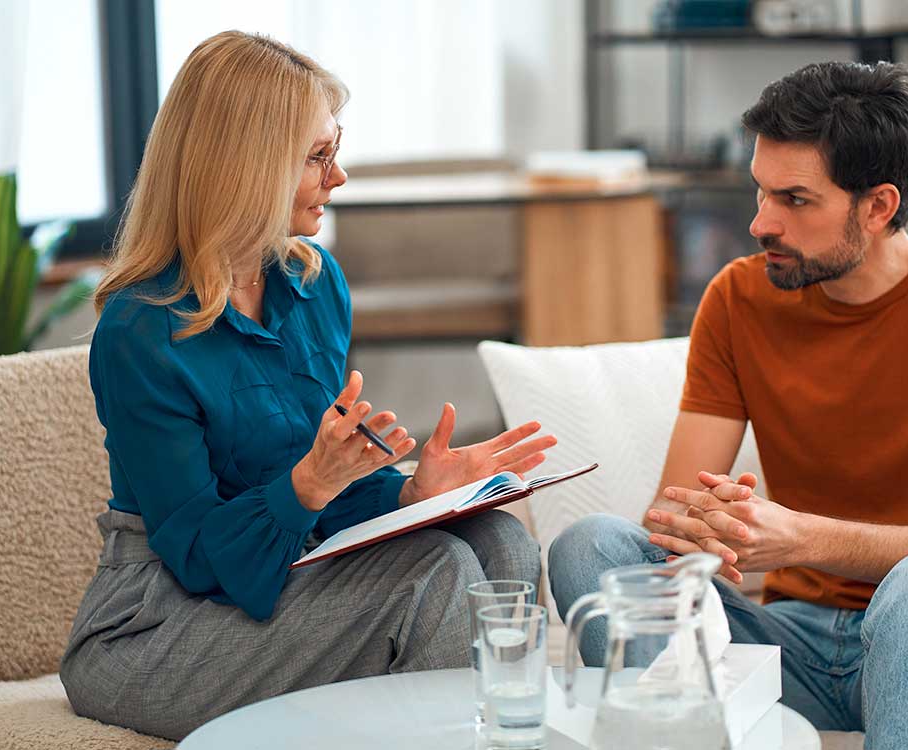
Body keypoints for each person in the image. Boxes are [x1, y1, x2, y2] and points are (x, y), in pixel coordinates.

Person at [549, 61, 908, 749]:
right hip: (791, 642)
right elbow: (674, 522)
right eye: (760, 192)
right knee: (591, 547)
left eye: (795, 200)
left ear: (878, 207)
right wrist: (710, 532)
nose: (761, 223)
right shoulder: (738, 299)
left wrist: (801, 537)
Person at [59, 31, 554, 741]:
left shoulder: (316, 286)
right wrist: (310, 485)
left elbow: (318, 497)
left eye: (336, 149)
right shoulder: (142, 331)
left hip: (288, 574)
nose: (339, 176)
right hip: (159, 618)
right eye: (318, 157)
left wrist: (412, 492)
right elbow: (196, 552)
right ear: (245, 166)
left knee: (501, 546)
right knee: (435, 574)